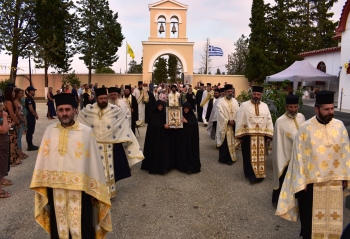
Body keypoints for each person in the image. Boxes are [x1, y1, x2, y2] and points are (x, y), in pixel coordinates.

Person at [30, 93, 112, 238]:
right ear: (57, 111)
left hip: (81, 191)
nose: (64, 113)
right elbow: (43, 161)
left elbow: (94, 164)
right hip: (56, 189)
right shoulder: (50, 132)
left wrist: (95, 190)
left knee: (83, 226)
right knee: (59, 227)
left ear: (74, 110)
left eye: (67, 109)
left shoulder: (86, 133)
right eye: (60, 110)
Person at [276, 91, 350, 239]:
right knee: (310, 225)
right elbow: (298, 157)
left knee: (333, 223)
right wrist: (301, 183)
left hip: (334, 185)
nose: (331, 112)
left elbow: (345, 153)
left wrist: (345, 178)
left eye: (332, 108)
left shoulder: (340, 126)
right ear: (317, 109)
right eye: (326, 109)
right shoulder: (305, 129)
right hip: (311, 186)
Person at [78, 88, 143, 199]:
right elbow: (81, 119)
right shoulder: (89, 110)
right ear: (96, 98)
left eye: (105, 98)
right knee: (95, 170)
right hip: (95, 146)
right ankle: (96, 192)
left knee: (109, 170)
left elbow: (124, 118)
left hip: (110, 145)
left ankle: (109, 193)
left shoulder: (115, 110)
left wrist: (120, 135)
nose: (103, 100)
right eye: (101, 98)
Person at [271, 94, 305, 206]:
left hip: (300, 155)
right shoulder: (280, 121)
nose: (293, 109)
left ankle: (295, 199)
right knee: (283, 178)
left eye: (295, 107)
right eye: (291, 107)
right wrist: (281, 157)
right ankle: (278, 201)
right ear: (286, 107)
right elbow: (278, 142)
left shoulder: (301, 117)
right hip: (286, 155)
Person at [235, 86, 273, 183]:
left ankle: (260, 174)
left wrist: (269, 135)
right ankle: (250, 175)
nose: (256, 96)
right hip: (247, 136)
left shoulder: (265, 106)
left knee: (260, 156)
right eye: (255, 94)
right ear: (251, 94)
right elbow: (240, 119)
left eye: (258, 94)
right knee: (248, 156)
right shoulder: (244, 105)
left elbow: (269, 120)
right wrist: (241, 135)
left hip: (261, 136)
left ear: (261, 95)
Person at [141, 100, 171, 174]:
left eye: (161, 106)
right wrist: (163, 126)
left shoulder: (165, 114)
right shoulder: (152, 114)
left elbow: (169, 123)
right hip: (154, 137)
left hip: (163, 136)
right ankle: (155, 168)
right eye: (159, 106)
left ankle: (163, 168)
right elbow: (153, 126)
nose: (160, 107)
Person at [215, 84, 240, 165]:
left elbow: (238, 112)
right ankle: (223, 158)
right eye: (228, 91)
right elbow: (219, 114)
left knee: (232, 141)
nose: (230, 93)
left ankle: (231, 158)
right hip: (224, 125)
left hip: (233, 125)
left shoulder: (235, 101)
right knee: (225, 142)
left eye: (231, 91)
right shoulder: (220, 102)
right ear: (225, 92)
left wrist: (235, 120)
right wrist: (227, 121)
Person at [175, 102, 201, 173]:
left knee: (190, 152)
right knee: (182, 151)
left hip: (190, 138)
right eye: (184, 108)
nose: (186, 110)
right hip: (182, 137)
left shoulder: (192, 116)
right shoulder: (180, 116)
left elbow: (195, 126)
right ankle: (182, 166)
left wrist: (187, 122)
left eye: (187, 108)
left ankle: (190, 167)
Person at [4, 86, 21, 165]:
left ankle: (14, 158)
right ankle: (12, 160)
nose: (14, 93)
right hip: (10, 123)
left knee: (14, 140)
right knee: (12, 141)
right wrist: (18, 122)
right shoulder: (8, 102)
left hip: (11, 122)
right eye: (13, 92)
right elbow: (12, 114)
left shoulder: (11, 101)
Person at [0, 100, 12, 198]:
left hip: (3, 145)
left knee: (3, 165)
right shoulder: (2, 114)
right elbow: (3, 130)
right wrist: (4, 116)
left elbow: (6, 127)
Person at [13, 88, 28, 159]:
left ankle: (20, 150)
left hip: (21, 118)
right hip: (19, 119)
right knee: (18, 136)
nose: (22, 94)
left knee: (20, 136)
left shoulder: (20, 101)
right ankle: (18, 152)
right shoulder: (15, 101)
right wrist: (22, 120)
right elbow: (17, 113)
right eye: (20, 93)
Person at [25, 86, 39, 151]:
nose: (34, 92)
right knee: (30, 131)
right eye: (33, 90)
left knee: (31, 130)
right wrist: (36, 115)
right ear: (30, 91)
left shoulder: (31, 98)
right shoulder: (28, 99)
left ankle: (31, 144)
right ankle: (29, 145)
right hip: (30, 116)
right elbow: (31, 109)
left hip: (31, 116)